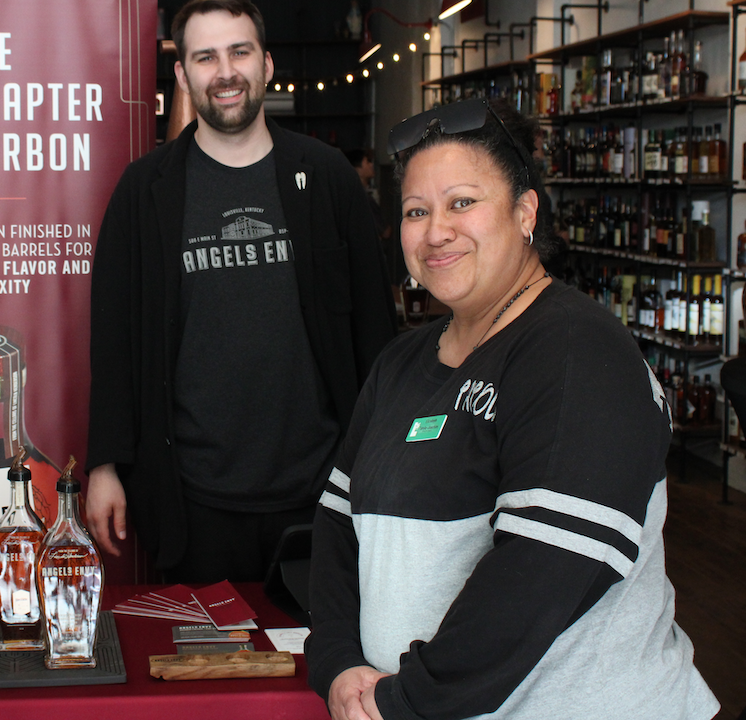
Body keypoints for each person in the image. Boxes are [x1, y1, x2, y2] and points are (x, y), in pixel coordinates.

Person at [305, 98, 718, 720]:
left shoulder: (577, 354)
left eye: (462, 203)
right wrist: (337, 662)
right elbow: (338, 524)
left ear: (525, 212)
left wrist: (407, 700)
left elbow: (539, 577)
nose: (436, 230)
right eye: (417, 211)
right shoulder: (401, 363)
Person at [85, 0, 397, 583]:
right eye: (205, 58)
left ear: (266, 64)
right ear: (181, 74)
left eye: (239, 52)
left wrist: (382, 465)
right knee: (205, 673)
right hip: (190, 501)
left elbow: (374, 331)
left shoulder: (327, 178)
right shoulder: (145, 190)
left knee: (321, 670)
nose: (225, 73)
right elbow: (115, 336)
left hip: (323, 495)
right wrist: (104, 465)